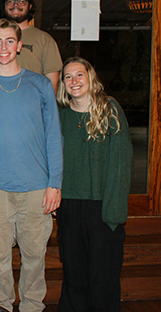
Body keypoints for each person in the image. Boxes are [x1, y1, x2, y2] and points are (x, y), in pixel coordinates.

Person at [0, 18, 63, 312]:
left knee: (35, 254)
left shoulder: (40, 85)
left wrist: (55, 184)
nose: (3, 47)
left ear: (19, 45)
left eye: (9, 41)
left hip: (36, 188)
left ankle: (32, 305)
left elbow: (53, 136)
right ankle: (0, 303)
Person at [56, 57, 132, 312]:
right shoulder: (62, 115)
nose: (74, 81)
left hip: (102, 208)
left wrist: (114, 214)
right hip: (69, 206)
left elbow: (120, 165)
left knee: (103, 277)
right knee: (74, 274)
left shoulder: (110, 109)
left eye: (80, 75)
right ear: (63, 83)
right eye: (68, 76)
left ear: (91, 78)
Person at [2, 0, 62, 92]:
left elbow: (52, 84)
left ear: (30, 6)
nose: (15, 5)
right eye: (10, 1)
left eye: (21, 1)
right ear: (5, 6)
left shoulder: (44, 40)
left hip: (33, 106)